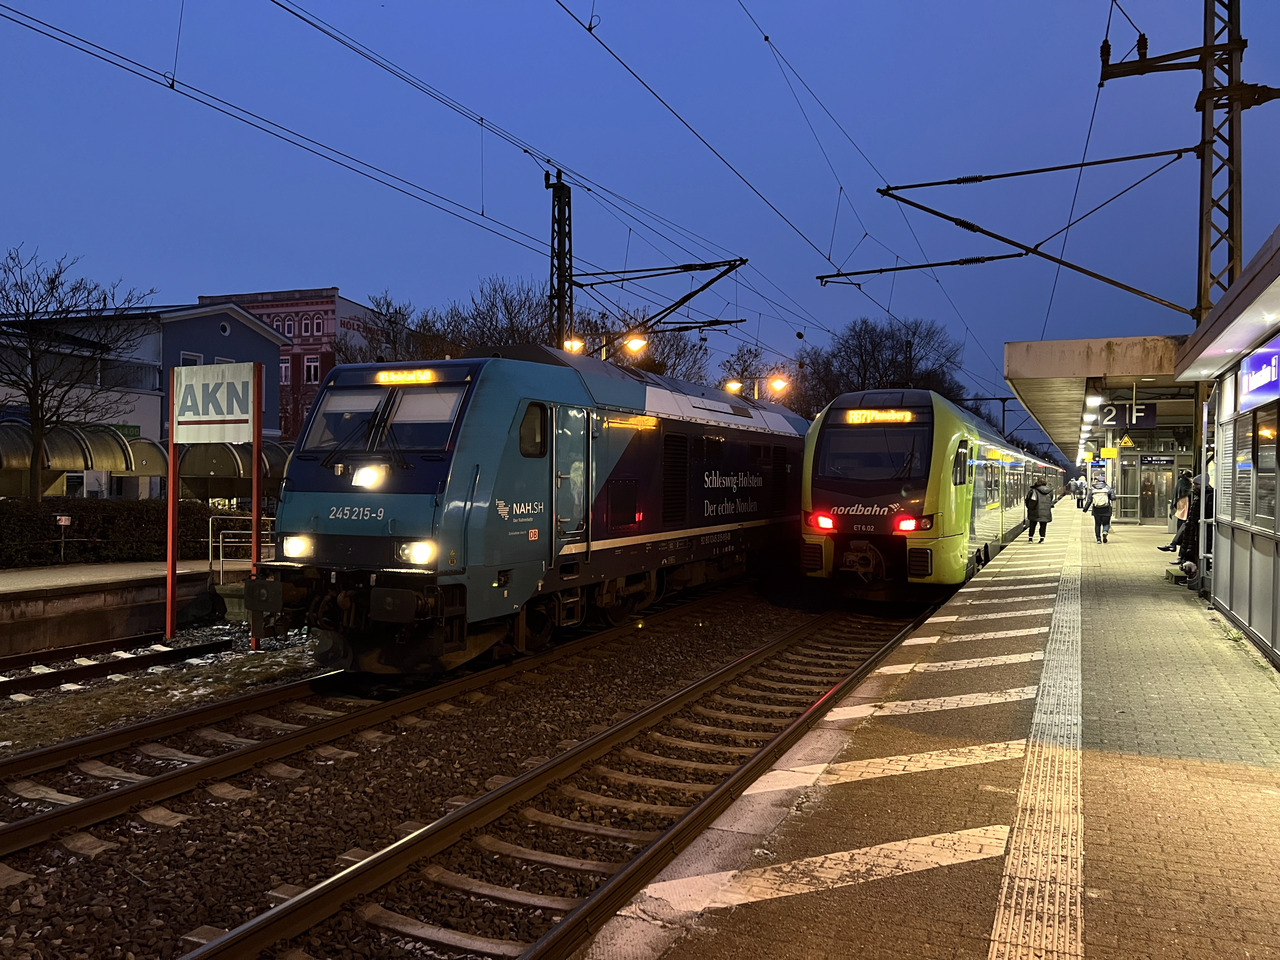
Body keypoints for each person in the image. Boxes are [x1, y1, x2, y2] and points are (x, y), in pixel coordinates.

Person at [1157, 470, 1193, 553]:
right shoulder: (1185, 483)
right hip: (1184, 509)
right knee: (1183, 527)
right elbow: (1186, 493)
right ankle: (1174, 545)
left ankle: (1174, 545)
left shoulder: (1180, 483)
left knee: (1182, 527)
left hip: (1182, 509)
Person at [1024, 476, 1055, 543]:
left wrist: (1029, 507)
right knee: (1043, 525)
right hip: (1045, 510)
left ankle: (1030, 538)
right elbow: (1051, 499)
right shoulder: (1049, 491)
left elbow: (1028, 499)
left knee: (1032, 524)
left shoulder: (1033, 490)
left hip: (1034, 510)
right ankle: (1042, 538)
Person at [1090, 475, 1115, 543]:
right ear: (1104, 481)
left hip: (1096, 509)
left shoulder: (1093, 489)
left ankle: (1098, 539)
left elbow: (1089, 500)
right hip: (1106, 509)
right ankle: (1105, 532)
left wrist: (1085, 509)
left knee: (1097, 524)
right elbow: (1113, 498)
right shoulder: (1108, 488)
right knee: (1106, 523)